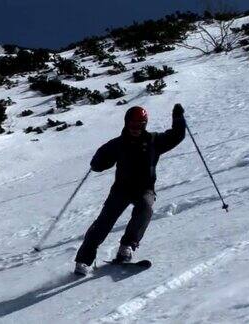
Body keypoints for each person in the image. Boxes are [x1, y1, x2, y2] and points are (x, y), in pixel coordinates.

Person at [74, 104, 186, 275]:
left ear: (145, 125)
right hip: (121, 189)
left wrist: (178, 118)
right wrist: (98, 163)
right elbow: (101, 160)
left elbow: (176, 136)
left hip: (145, 188)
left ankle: (126, 246)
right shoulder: (118, 144)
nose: (136, 129)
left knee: (145, 209)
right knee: (104, 222)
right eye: (133, 125)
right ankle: (83, 260)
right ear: (126, 123)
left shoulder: (153, 141)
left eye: (140, 125)